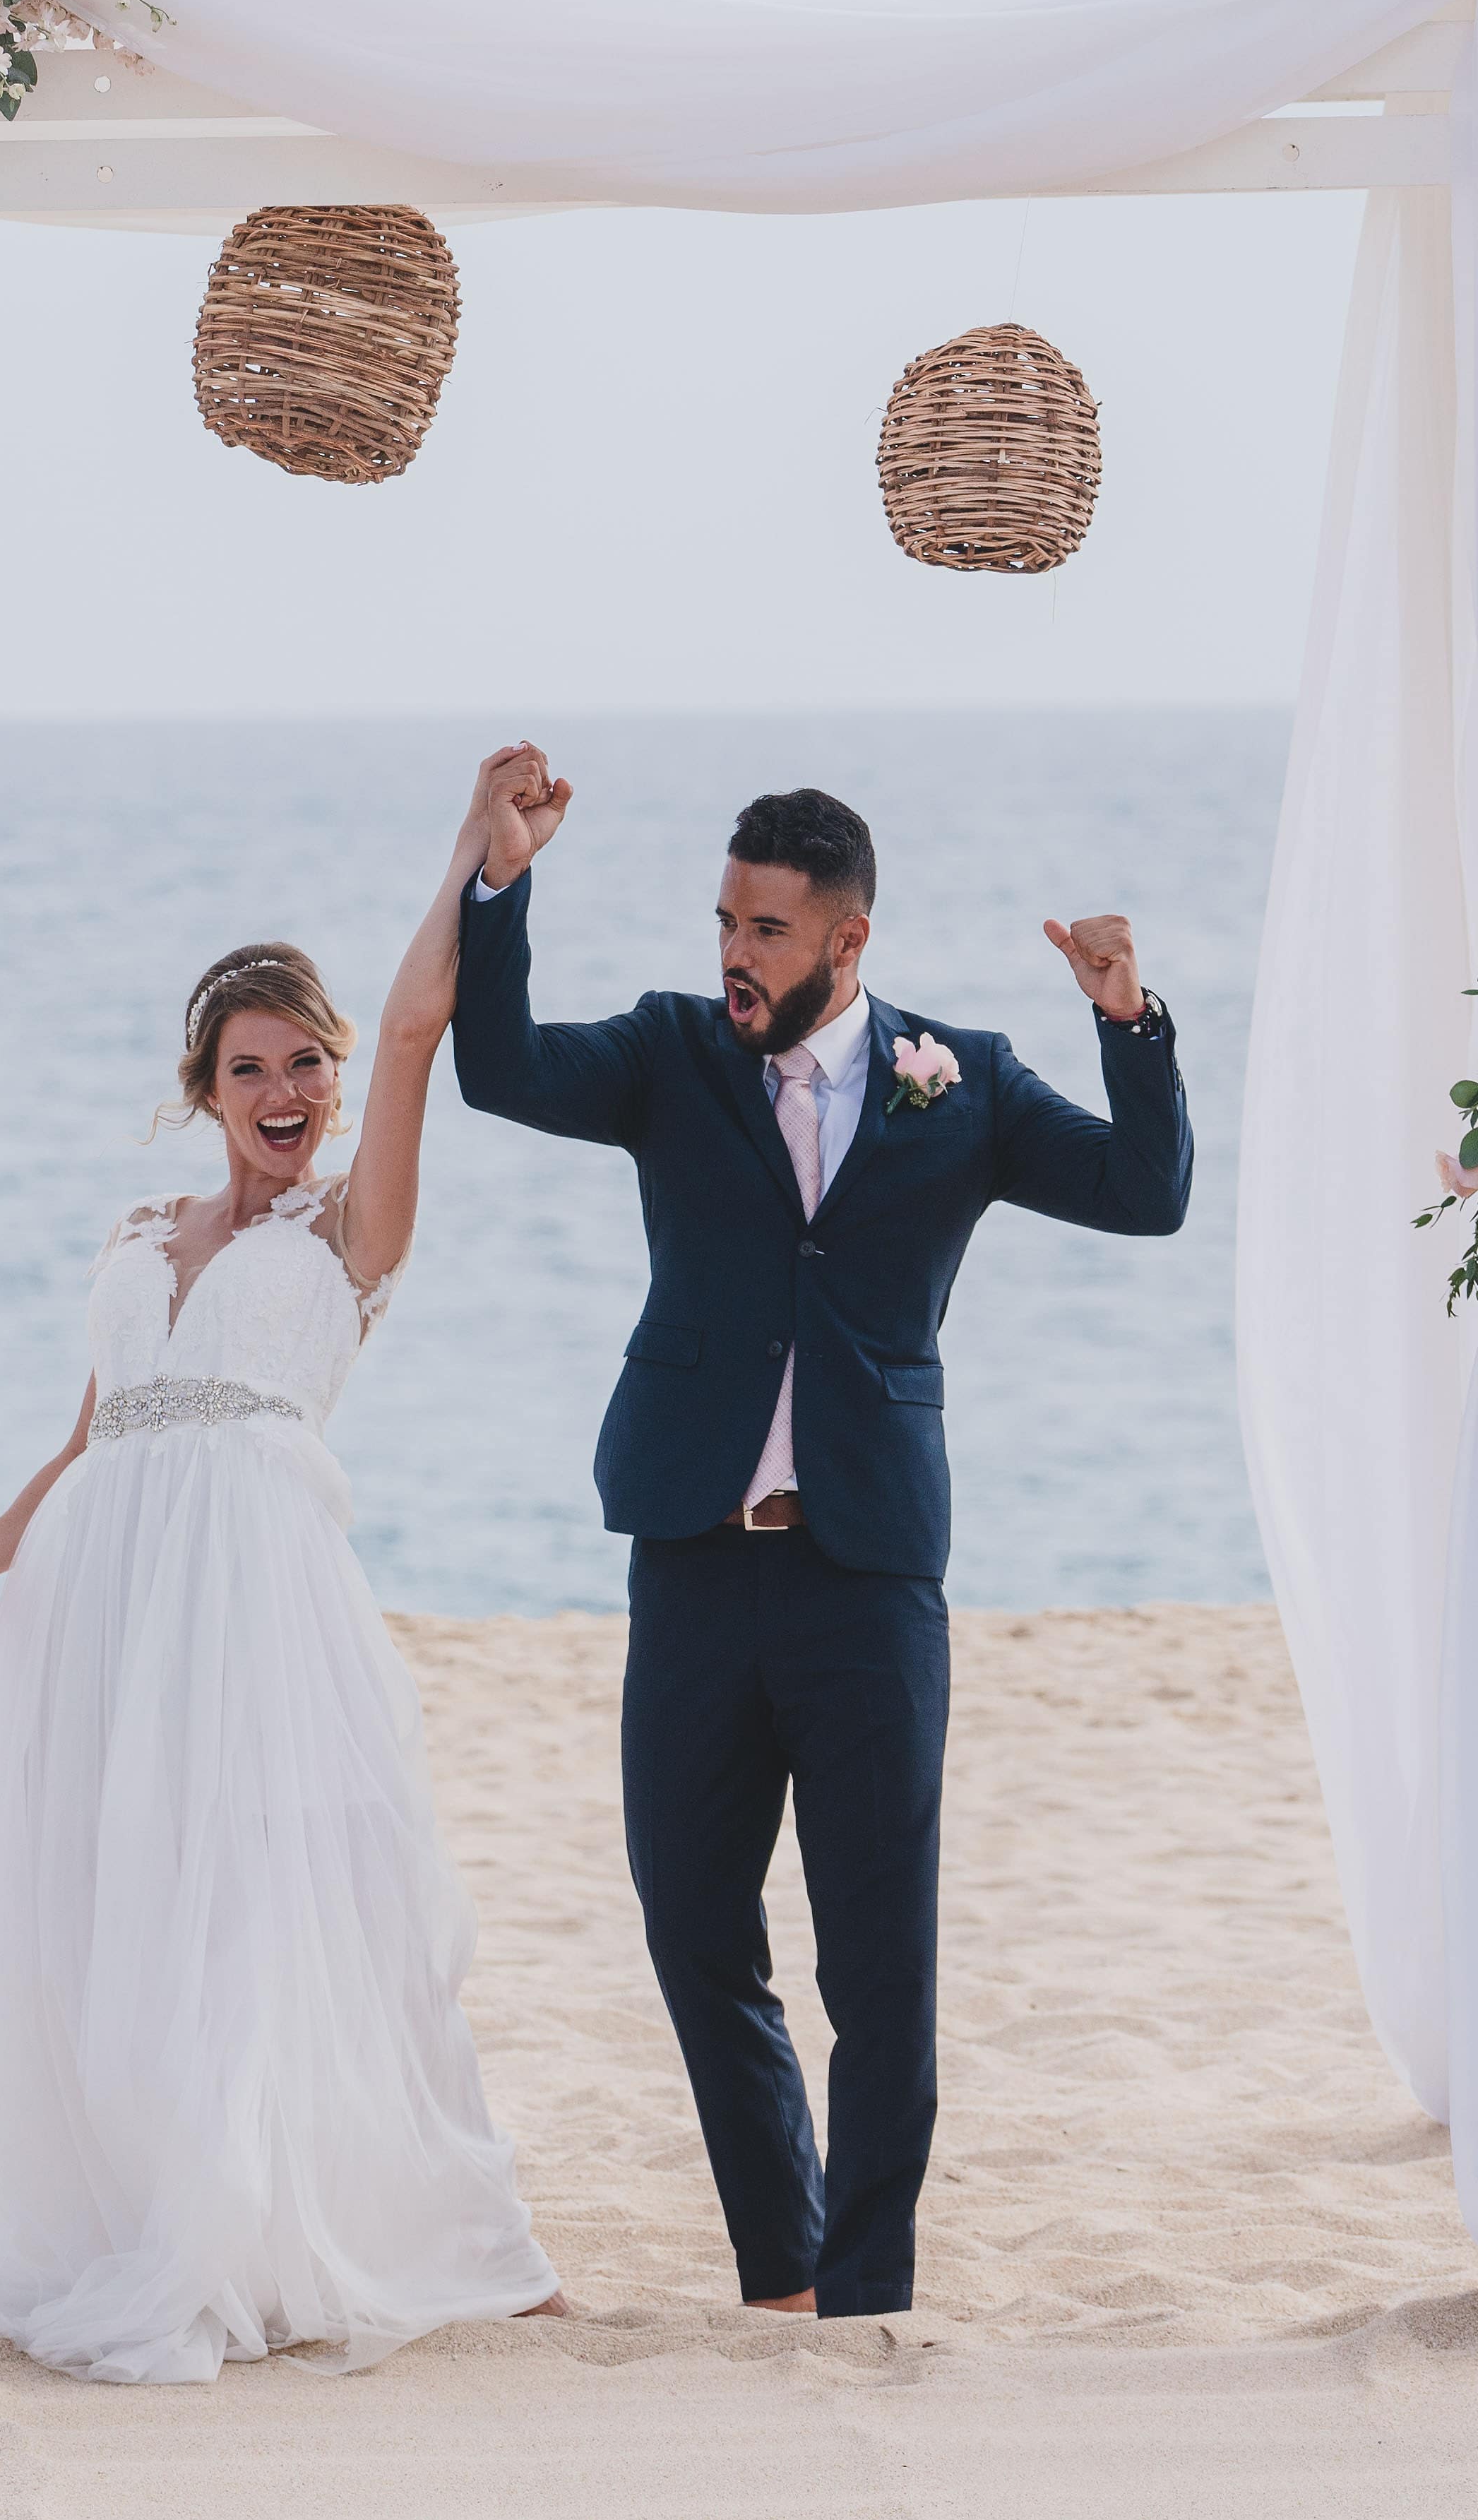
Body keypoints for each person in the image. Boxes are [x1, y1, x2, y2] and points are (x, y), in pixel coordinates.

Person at [0, 775, 561, 2383]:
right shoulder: (140, 1231)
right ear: (203, 1089)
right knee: (115, 1905)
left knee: (296, 1900)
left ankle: (398, 2225)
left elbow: (417, 1033)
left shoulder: (350, 1234)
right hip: (101, 1601)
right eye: (249, 1068)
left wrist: (473, 860)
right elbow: (97, 1431)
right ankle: (143, 2202)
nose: (285, 1089)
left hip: (257, 1600)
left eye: (304, 1063)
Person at [445, 748, 1194, 2324]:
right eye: (726, 919)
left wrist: (1125, 1021)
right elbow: (499, 1068)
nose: (736, 952)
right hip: (696, 1563)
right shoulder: (665, 1054)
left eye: (769, 930)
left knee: (878, 1962)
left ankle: (865, 2296)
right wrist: (501, 882)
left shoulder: (962, 1078)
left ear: (848, 940)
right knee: (693, 1926)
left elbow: (1145, 1193)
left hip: (866, 1578)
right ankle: (778, 2272)